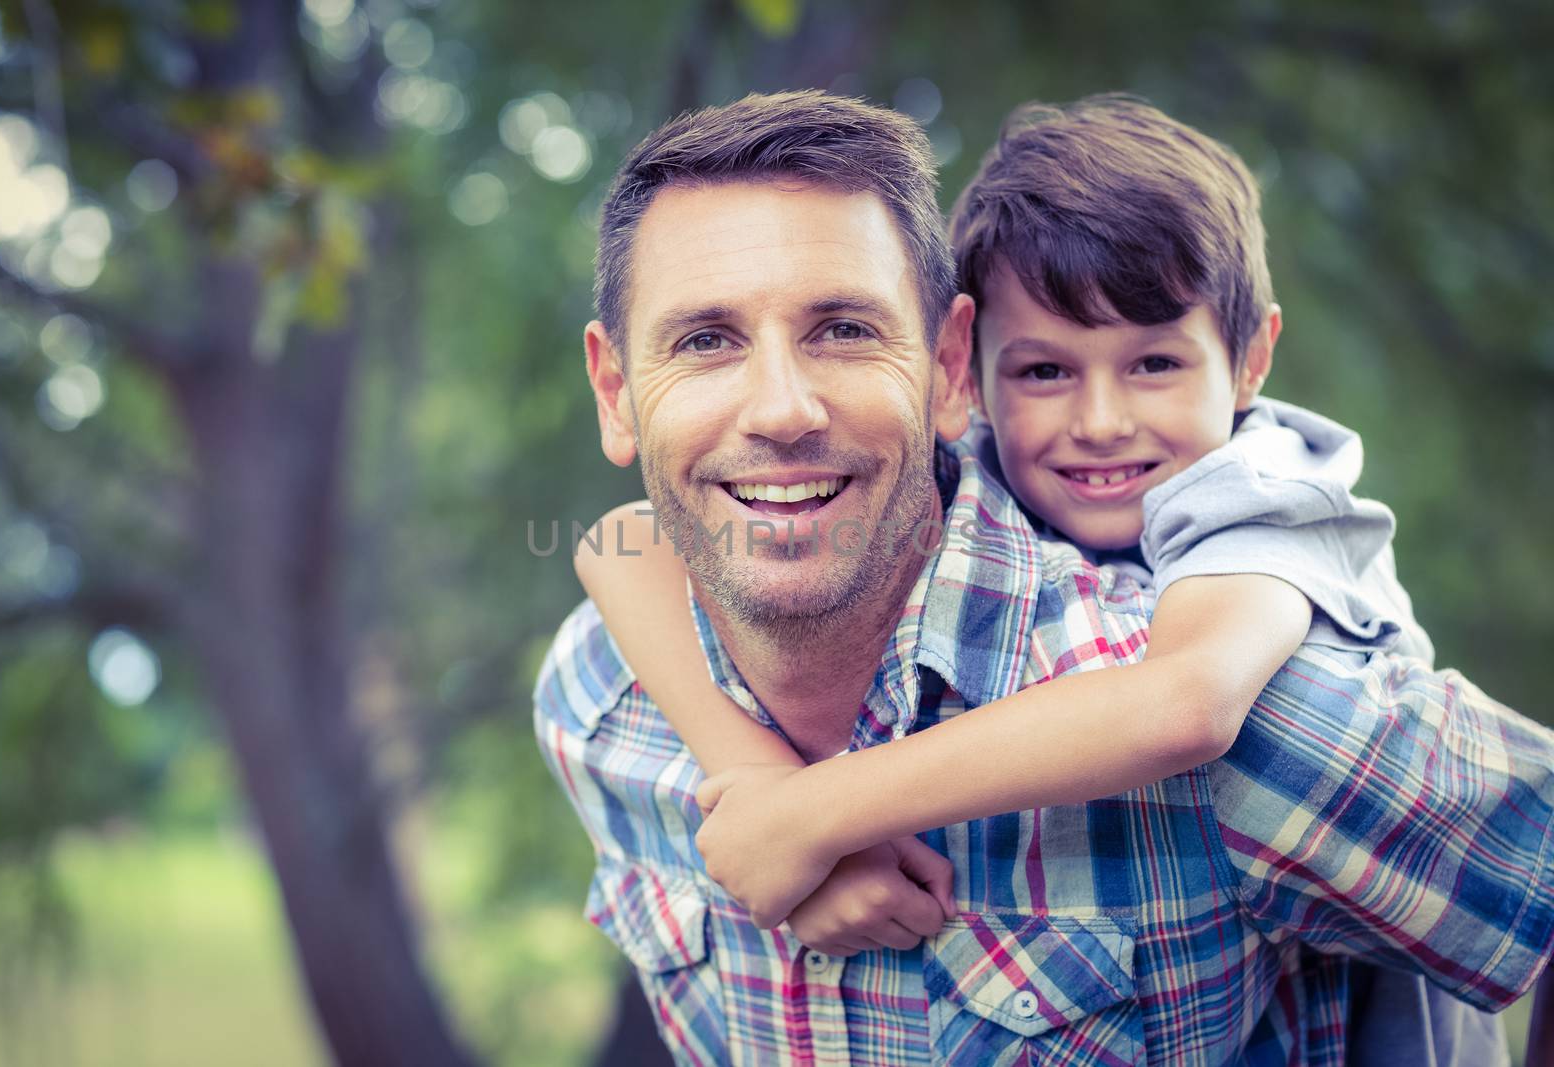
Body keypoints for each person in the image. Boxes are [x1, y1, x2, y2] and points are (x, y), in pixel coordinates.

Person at [535, 90, 1554, 1065]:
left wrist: (808, 814)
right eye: (705, 340)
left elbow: (1185, 701)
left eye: (843, 328)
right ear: (615, 393)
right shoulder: (599, 695)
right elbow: (614, 543)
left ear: (941, 368)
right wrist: (754, 778)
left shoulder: (1247, 634)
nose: (781, 408)